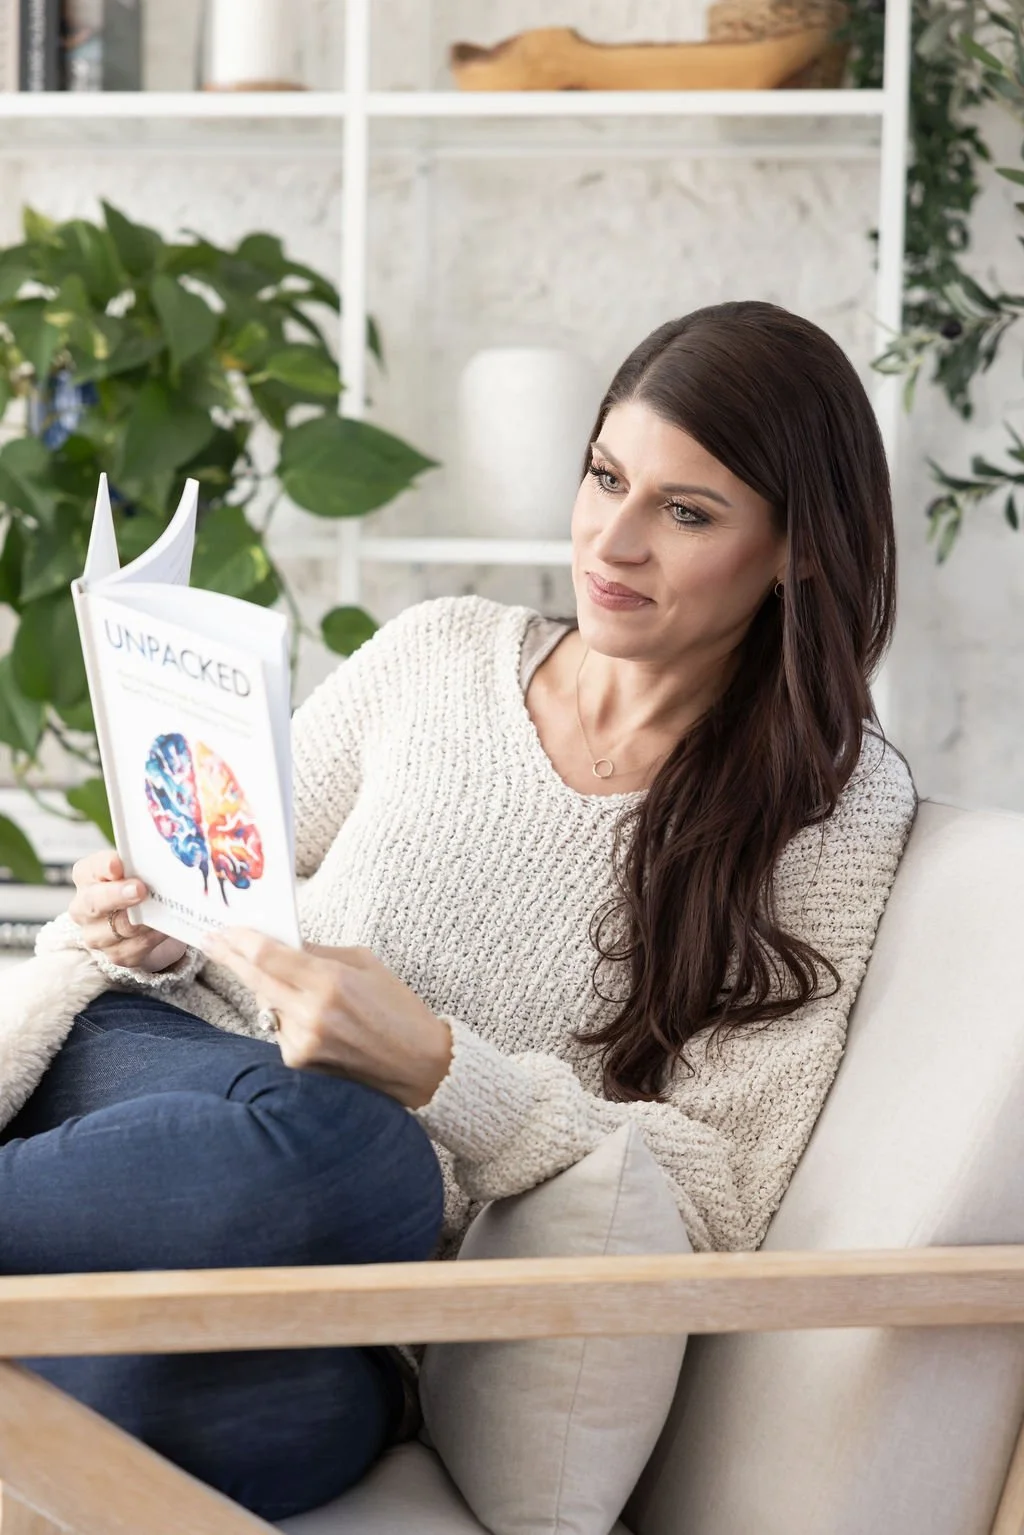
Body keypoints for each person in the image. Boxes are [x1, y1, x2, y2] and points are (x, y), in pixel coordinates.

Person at [0, 300, 918, 1521]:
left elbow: (717, 1195)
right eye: (604, 476)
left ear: (800, 548)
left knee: (271, 1404)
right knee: (350, 1140)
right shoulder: (437, 654)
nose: (612, 542)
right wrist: (149, 920)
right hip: (161, 1076)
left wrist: (439, 1069)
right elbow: (221, 875)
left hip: (367, 1299)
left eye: (685, 512)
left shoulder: (828, 812)